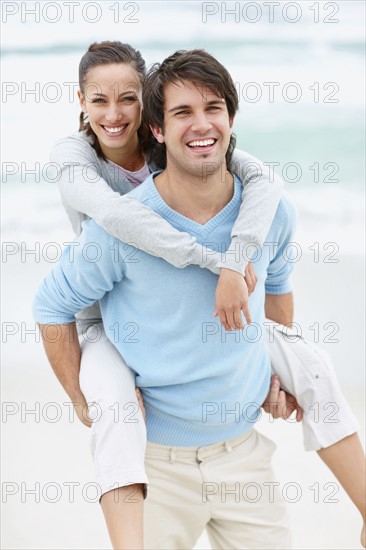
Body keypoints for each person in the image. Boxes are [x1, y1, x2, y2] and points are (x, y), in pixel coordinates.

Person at [33, 48, 365, 549]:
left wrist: (274, 374)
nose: (113, 113)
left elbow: (276, 289)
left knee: (310, 363)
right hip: (155, 463)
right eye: (182, 112)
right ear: (159, 128)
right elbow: (54, 302)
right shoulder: (104, 207)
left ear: (232, 117)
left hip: (244, 457)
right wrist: (80, 401)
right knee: (115, 414)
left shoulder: (268, 207)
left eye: (213, 108)